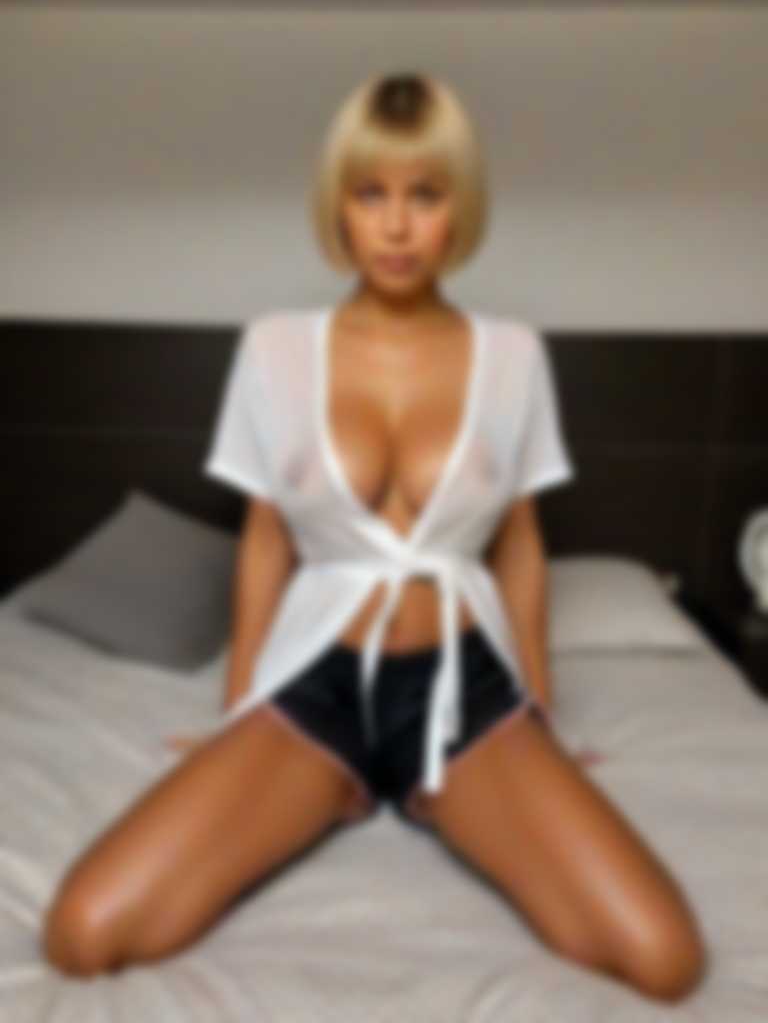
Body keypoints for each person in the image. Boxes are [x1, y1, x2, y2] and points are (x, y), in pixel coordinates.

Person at [41, 71, 707, 1002]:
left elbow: (520, 544)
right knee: (84, 933)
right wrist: (238, 716)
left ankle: (436, 792)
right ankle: (338, 785)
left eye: (424, 195)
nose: (396, 227)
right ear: (339, 206)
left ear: (459, 207)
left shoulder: (513, 356)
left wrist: (541, 716)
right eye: (370, 194)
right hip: (317, 688)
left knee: (665, 958)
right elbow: (266, 538)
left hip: (465, 694)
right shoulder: (274, 348)